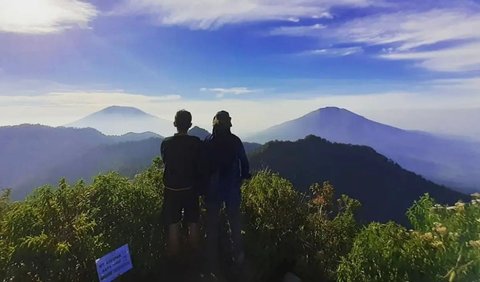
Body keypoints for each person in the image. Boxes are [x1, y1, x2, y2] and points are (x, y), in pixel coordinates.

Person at [204, 110, 251, 269]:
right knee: (235, 222)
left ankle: (212, 261)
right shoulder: (235, 141)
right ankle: (238, 256)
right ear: (228, 123)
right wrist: (244, 176)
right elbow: (244, 162)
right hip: (231, 188)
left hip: (213, 188)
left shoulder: (208, 140)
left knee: (211, 225)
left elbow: (202, 165)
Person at [161, 110, 205, 258]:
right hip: (190, 188)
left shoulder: (166, 143)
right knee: (193, 221)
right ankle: (195, 253)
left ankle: (174, 256)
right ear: (190, 125)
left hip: (171, 189)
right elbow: (200, 165)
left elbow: (165, 161)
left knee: (172, 222)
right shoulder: (196, 143)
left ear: (174, 124)